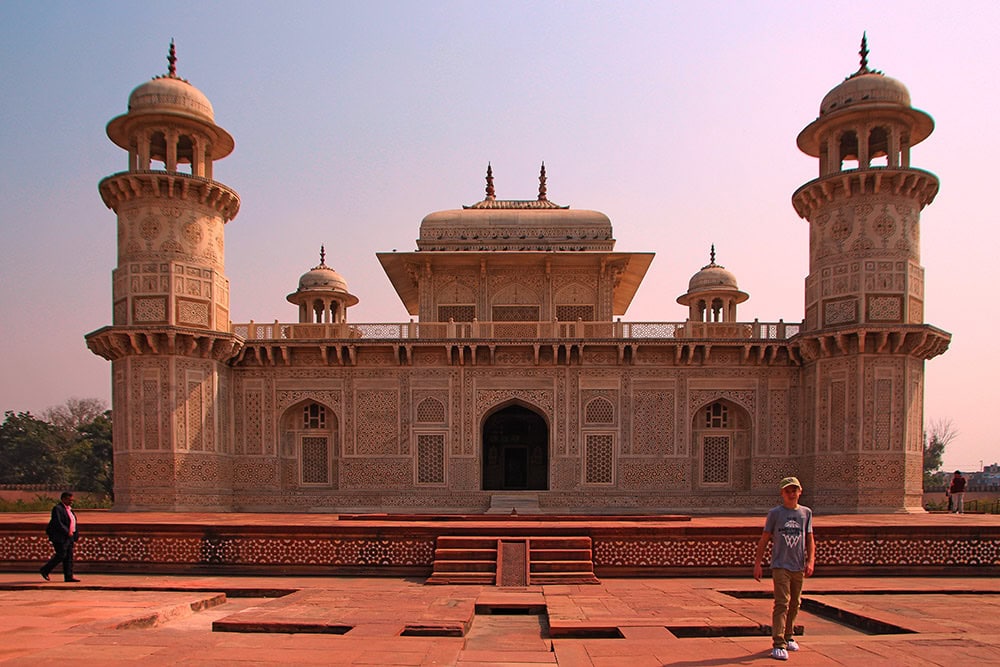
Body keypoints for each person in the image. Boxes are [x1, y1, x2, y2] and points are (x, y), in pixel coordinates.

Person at [754, 477, 815, 661]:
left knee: (795, 603)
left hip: (798, 565)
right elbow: (765, 539)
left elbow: (810, 539)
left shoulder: (806, 513)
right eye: (788, 490)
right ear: (782, 493)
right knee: (782, 603)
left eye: (794, 490)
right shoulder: (775, 513)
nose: (791, 493)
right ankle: (778, 643)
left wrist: (810, 561)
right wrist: (758, 563)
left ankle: (788, 636)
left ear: (800, 491)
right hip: (780, 565)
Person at [40, 492, 80, 582]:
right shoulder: (57, 509)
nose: (71, 502)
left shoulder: (69, 510)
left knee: (69, 557)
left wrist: (75, 534)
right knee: (61, 555)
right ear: (63, 499)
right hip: (60, 537)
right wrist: (67, 531)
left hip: (69, 537)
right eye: (69, 500)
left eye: (71, 500)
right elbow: (57, 523)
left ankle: (68, 576)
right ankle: (45, 569)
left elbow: (73, 522)